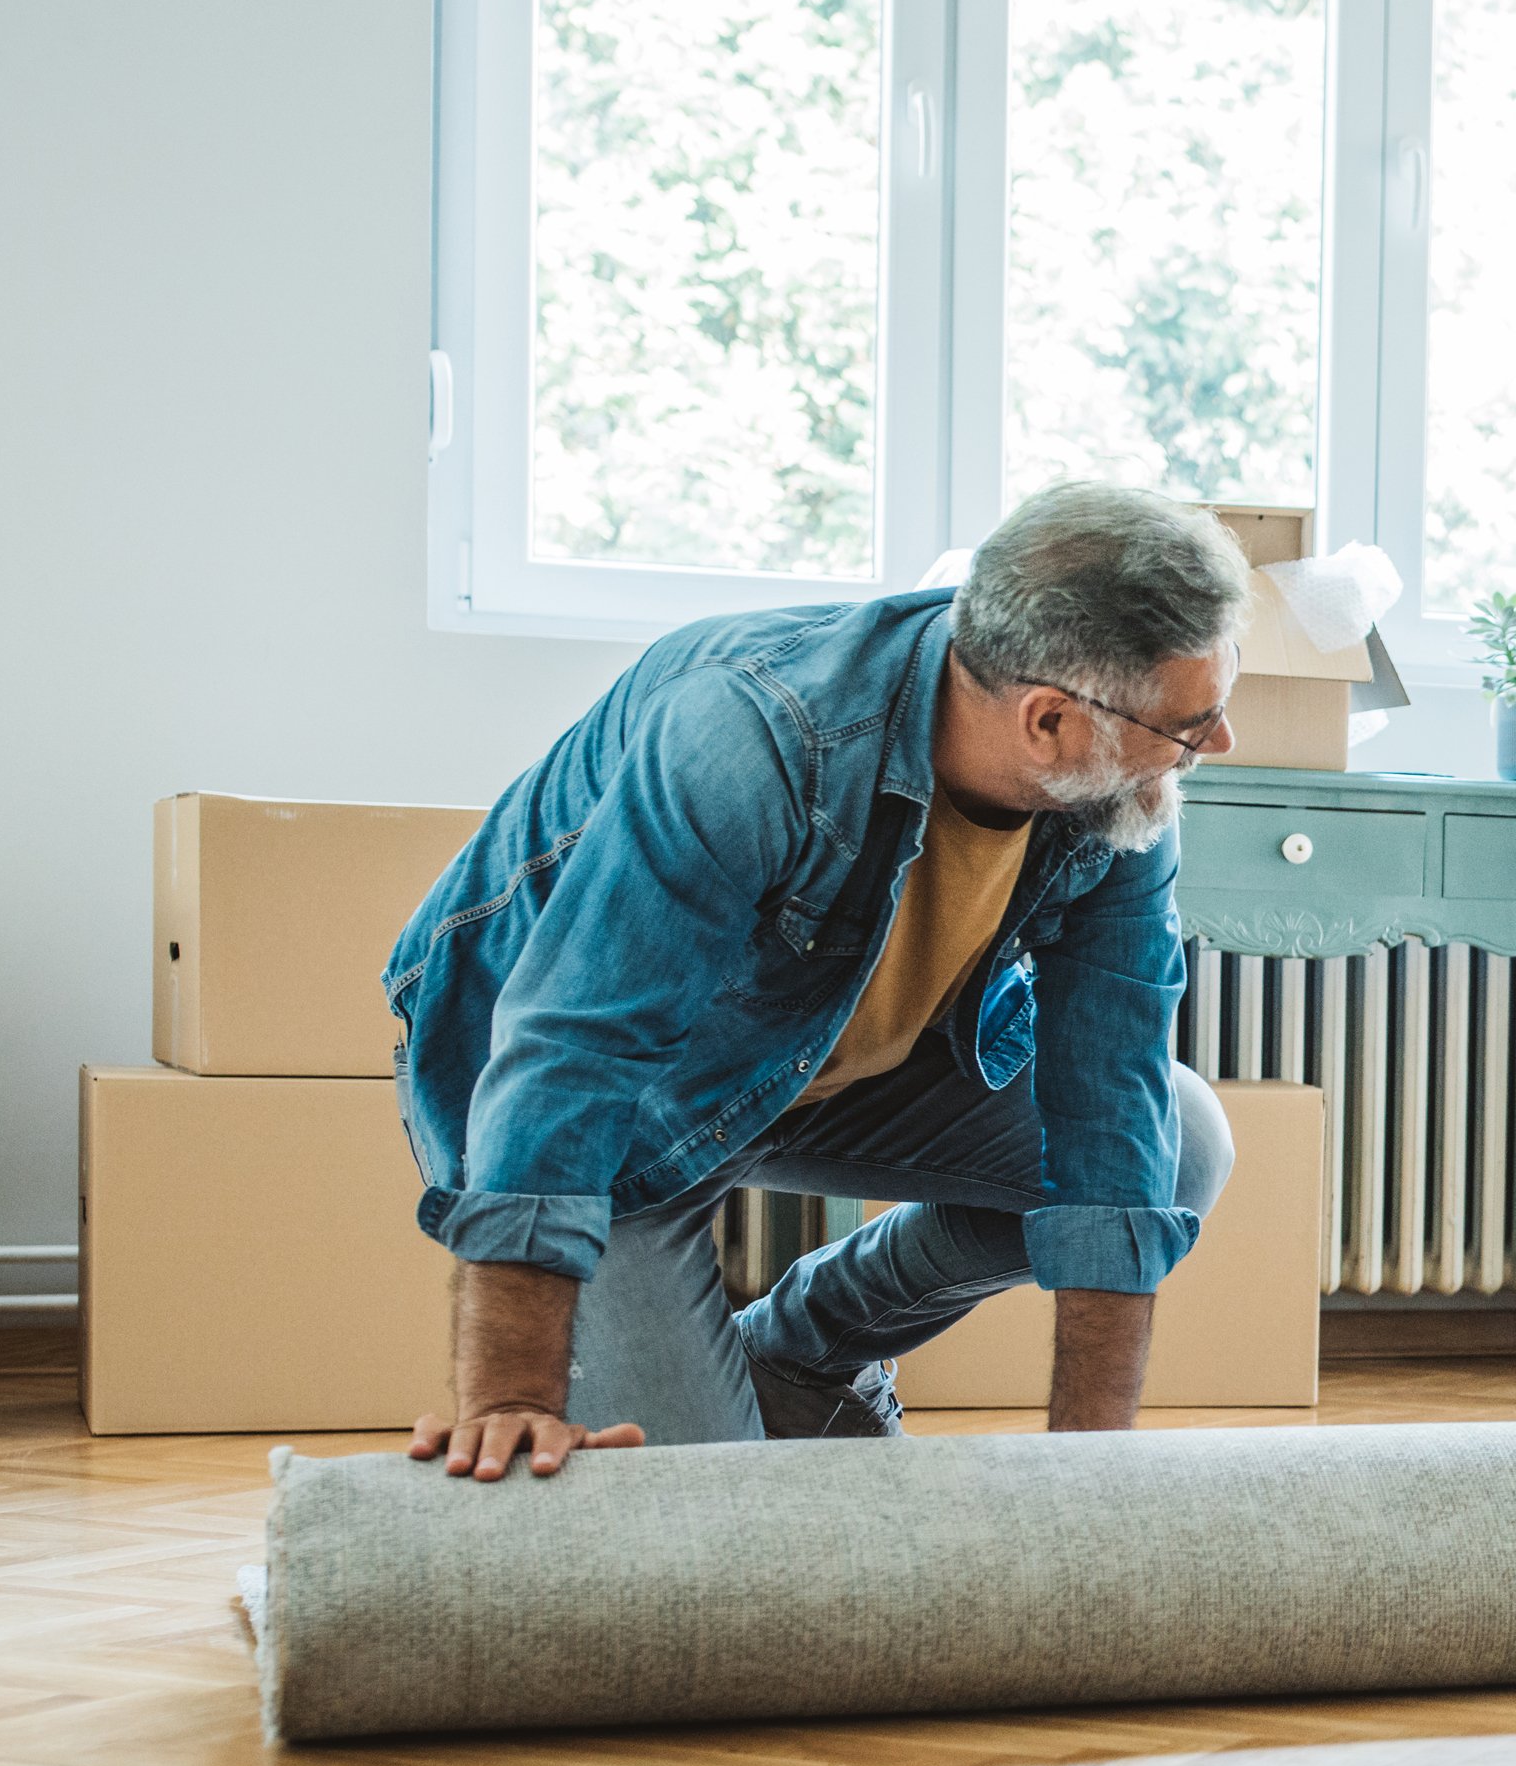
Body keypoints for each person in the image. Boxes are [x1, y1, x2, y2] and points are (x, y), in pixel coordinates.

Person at [388, 481, 1252, 1481]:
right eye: (1193, 724)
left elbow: (1113, 1087)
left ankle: (803, 1348)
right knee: (698, 1523)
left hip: (839, 1061)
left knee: (1180, 1139)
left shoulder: (1117, 781)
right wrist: (513, 1398)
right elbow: (575, 1047)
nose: (1216, 744)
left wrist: (1090, 1472)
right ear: (1048, 718)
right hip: (619, 1105)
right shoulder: (752, 733)